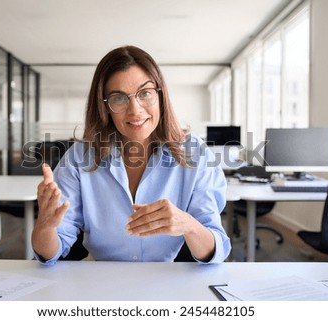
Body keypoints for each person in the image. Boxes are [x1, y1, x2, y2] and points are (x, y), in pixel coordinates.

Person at [32, 45, 231, 264]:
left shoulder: (195, 153)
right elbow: (50, 253)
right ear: (105, 107)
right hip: (102, 283)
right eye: (119, 98)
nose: (135, 110)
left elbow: (217, 249)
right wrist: (45, 227)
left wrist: (188, 224)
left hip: (166, 284)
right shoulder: (79, 158)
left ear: (160, 96)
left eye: (145, 93)